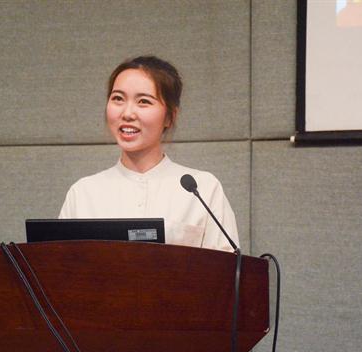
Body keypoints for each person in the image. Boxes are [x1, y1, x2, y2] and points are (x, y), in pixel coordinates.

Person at [59, 56, 239, 252]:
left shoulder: (203, 189)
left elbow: (228, 267)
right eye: (118, 98)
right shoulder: (83, 193)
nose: (127, 113)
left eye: (143, 101)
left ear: (170, 116)